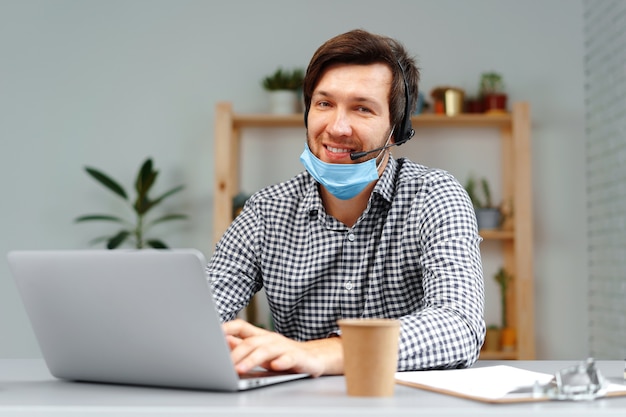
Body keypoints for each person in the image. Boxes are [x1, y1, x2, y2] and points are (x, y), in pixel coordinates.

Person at [207, 29, 485, 378]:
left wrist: (329, 352)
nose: (337, 127)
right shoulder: (265, 211)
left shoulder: (435, 196)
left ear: (396, 129)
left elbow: (460, 325)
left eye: (362, 108)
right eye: (324, 104)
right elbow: (199, 322)